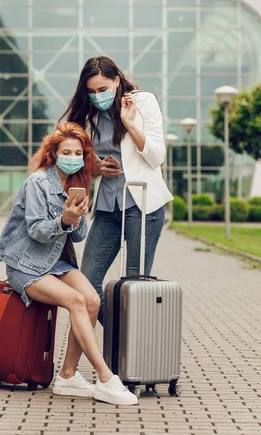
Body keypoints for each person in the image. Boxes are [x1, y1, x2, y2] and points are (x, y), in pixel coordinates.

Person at [0, 122, 138, 406]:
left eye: (78, 152)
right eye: (67, 152)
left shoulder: (79, 183)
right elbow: (36, 230)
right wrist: (64, 220)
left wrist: (78, 216)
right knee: (76, 301)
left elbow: (80, 235)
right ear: (54, 153)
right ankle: (107, 378)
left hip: (55, 263)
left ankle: (68, 374)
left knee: (92, 300)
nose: (73, 157)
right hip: (26, 265)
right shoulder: (38, 182)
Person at [61, 57, 173, 324]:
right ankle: (120, 340)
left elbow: (156, 157)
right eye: (91, 91)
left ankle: (128, 353)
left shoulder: (143, 102)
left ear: (117, 81)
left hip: (143, 204)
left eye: (102, 89)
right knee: (87, 282)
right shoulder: (89, 115)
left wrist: (130, 123)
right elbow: (80, 160)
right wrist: (98, 168)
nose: (97, 96)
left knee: (135, 284)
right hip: (108, 205)